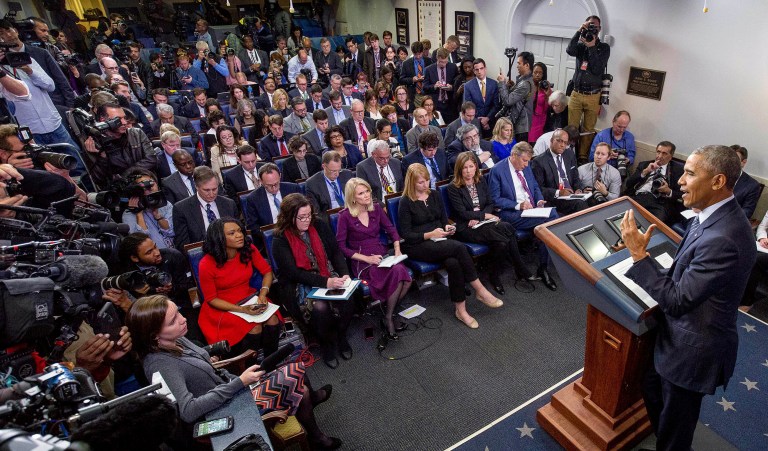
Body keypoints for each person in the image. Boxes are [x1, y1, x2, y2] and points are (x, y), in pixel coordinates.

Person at [620, 145, 756, 451]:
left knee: (675, 428)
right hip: (675, 337)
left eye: (691, 173)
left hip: (693, 349)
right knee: (653, 392)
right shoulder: (708, 214)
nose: (681, 180)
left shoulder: (725, 236)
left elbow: (679, 300)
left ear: (718, 181)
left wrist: (639, 256)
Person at [125, 295, 341, 450]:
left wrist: (235, 379)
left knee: (297, 372)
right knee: (298, 381)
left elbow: (205, 368)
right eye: (173, 320)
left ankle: (315, 433)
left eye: (178, 312)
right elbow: (189, 411)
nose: (183, 319)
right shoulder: (159, 364)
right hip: (221, 414)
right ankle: (316, 435)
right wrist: (240, 382)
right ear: (154, 335)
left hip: (230, 391)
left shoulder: (175, 339)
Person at [398, 164, 502, 329]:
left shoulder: (434, 195)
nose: (425, 185)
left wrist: (447, 227)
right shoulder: (406, 202)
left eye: (426, 180)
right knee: (460, 248)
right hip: (417, 244)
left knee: (454, 263)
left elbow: (443, 220)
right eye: (420, 182)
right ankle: (480, 290)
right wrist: (430, 234)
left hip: (439, 241)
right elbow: (406, 234)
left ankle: (460, 310)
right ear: (411, 183)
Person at [272, 194, 355, 369]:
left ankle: (341, 336)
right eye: (301, 217)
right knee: (319, 307)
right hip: (301, 282)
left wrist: (345, 273)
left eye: (309, 215)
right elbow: (293, 273)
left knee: (350, 297)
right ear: (289, 217)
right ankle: (326, 344)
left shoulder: (319, 225)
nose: (307, 220)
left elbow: (335, 252)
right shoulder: (280, 239)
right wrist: (326, 282)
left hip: (327, 271)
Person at [448, 152, 539, 295]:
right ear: (459, 169)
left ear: (476, 167)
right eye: (465, 167)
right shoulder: (453, 187)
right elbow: (462, 213)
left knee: (502, 243)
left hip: (483, 222)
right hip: (467, 227)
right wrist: (484, 215)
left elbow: (490, 203)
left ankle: (494, 275)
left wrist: (481, 217)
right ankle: (520, 269)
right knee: (507, 229)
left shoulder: (481, 180)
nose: (468, 171)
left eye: (471, 166)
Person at [336, 178, 412, 338]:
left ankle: (387, 311)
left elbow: (392, 230)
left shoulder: (376, 209)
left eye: (367, 191)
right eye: (361, 193)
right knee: (399, 274)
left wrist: (397, 250)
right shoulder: (344, 216)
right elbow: (342, 247)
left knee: (406, 279)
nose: (366, 195)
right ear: (352, 197)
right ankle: (389, 317)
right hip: (361, 260)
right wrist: (367, 259)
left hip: (381, 253)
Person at [198, 218, 281, 354]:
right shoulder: (206, 264)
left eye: (239, 231)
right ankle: (250, 369)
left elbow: (267, 271)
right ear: (219, 238)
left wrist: (263, 293)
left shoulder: (248, 248)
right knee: (254, 328)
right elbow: (211, 299)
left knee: (272, 320)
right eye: (232, 233)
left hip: (248, 297)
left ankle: (270, 363)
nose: (239, 235)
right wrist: (242, 310)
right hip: (221, 307)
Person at [488, 142, 558, 290]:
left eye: (528, 161)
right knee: (552, 218)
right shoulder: (497, 170)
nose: (527, 165)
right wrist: (518, 205)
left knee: (547, 224)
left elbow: (534, 187)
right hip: (511, 213)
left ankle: (543, 266)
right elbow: (495, 199)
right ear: (514, 156)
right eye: (524, 160)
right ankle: (544, 267)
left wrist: (539, 200)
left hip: (531, 210)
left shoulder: (526, 168)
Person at [567, 16, 611, 161]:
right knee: (572, 127)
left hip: (594, 95)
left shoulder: (604, 48)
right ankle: (569, 154)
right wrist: (579, 30)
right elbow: (569, 50)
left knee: (588, 129)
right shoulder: (580, 45)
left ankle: (582, 156)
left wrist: (592, 46)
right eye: (590, 25)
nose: (593, 28)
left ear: (599, 29)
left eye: (595, 26)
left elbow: (598, 68)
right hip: (576, 93)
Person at [118, 233, 195, 307]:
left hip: (183, 305)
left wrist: (173, 288)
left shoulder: (172, 256)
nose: (157, 253)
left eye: (155, 247)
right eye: (149, 252)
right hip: (153, 311)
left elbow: (191, 286)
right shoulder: (129, 275)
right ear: (135, 258)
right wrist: (141, 295)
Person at [172, 166, 238, 249]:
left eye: (214, 189)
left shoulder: (229, 204)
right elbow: (184, 246)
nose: (211, 194)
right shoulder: (181, 209)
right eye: (206, 190)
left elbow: (238, 234)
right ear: (196, 186)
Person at [625, 141, 684, 227]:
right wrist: (645, 172)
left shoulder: (678, 170)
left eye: (664, 153)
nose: (660, 156)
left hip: (659, 203)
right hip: (638, 197)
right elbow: (628, 184)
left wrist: (668, 191)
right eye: (658, 152)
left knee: (652, 226)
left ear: (670, 157)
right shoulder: (644, 164)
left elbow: (682, 195)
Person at [531, 128, 589, 215]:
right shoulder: (539, 161)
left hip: (572, 195)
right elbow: (539, 189)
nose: (562, 145)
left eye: (565, 143)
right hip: (555, 199)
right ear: (551, 140)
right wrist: (559, 192)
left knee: (593, 200)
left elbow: (575, 177)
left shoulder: (569, 154)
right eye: (559, 141)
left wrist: (578, 189)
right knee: (579, 204)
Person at [122, 168, 175, 249]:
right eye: (144, 186)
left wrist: (159, 217)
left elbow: (172, 232)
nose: (149, 188)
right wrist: (139, 214)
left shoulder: (166, 204)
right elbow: (141, 244)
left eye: (151, 184)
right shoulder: (128, 214)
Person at [244, 162, 303, 230]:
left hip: (295, 229)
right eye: (269, 185)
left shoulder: (293, 189)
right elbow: (253, 227)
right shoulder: (253, 199)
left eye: (276, 184)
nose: (274, 188)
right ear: (261, 181)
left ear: (280, 176)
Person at [496, 52, 534, 143]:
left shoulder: (525, 84)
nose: (517, 66)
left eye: (519, 63)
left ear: (527, 65)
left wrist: (501, 83)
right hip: (519, 123)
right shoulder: (524, 80)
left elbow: (508, 101)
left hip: (520, 126)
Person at [464, 58, 500, 136]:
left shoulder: (494, 84)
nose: (479, 71)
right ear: (474, 71)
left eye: (481, 68)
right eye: (477, 69)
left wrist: (487, 118)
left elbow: (496, 105)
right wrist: (480, 120)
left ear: (485, 69)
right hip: (475, 123)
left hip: (491, 122)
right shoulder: (468, 86)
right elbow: (468, 106)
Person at [741, 210, 768, 312]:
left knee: (757, 260)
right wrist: (762, 238)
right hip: (764, 247)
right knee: (745, 250)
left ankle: (747, 301)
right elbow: (762, 227)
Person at [424, 47, 459, 123]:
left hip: (450, 105)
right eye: (441, 62)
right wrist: (434, 86)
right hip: (436, 105)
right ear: (437, 58)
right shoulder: (428, 70)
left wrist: (451, 87)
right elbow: (424, 87)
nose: (443, 64)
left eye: (445, 62)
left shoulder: (453, 67)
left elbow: (457, 84)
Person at [730, 145, 761, 219]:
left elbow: (747, 212)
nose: (729, 163)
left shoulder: (752, 185)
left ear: (743, 162)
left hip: (730, 222)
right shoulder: (716, 175)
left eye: (734, 160)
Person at [529, 63, 552, 144]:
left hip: (540, 121)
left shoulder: (545, 88)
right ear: (532, 73)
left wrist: (547, 96)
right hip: (529, 120)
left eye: (540, 73)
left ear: (543, 74)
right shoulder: (528, 85)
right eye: (535, 72)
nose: (537, 75)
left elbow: (548, 108)